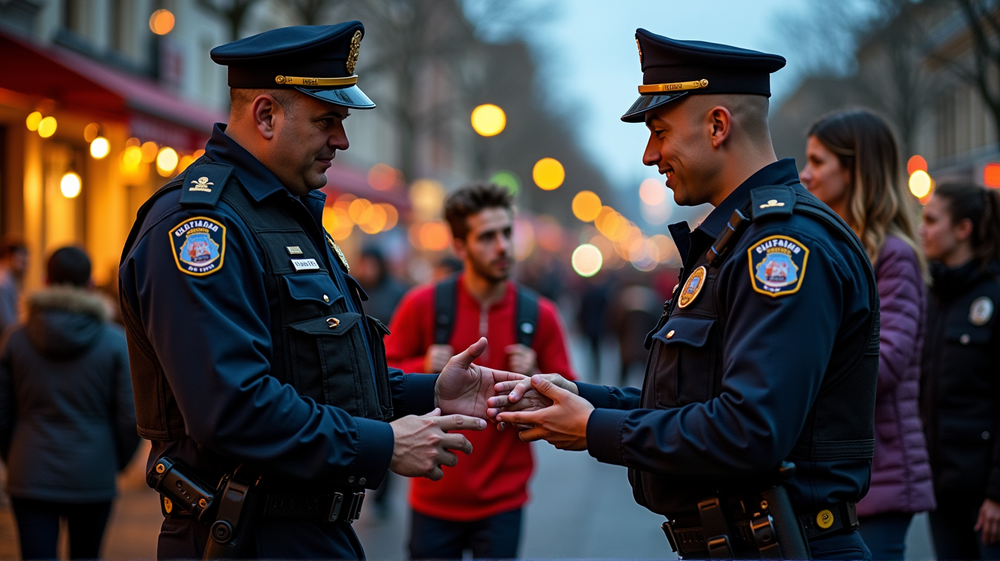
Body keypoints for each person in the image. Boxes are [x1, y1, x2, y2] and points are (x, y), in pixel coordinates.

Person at [117, 22, 520, 559]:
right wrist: (384, 444)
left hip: (302, 531)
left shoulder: (281, 213)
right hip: (244, 537)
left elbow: (315, 375)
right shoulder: (202, 225)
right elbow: (230, 407)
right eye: (327, 120)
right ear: (265, 115)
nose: (342, 140)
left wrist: (429, 393)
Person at [490, 30, 880, 560]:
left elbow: (749, 430)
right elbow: (694, 402)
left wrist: (594, 428)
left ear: (718, 125)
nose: (650, 155)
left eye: (660, 132)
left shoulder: (780, 249)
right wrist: (579, 398)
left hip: (786, 546)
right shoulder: (739, 239)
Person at [384, 183, 576, 559]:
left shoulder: (540, 314)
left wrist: (538, 375)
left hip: (504, 501)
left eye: (506, 233)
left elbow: (573, 397)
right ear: (460, 247)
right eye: (487, 237)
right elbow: (378, 378)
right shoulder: (422, 304)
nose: (503, 246)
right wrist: (424, 368)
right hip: (433, 494)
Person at [799, 109, 934, 559]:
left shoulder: (894, 255)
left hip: (881, 469)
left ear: (856, 169)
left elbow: (885, 364)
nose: (806, 174)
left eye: (818, 161)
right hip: (840, 465)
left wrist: (796, 371)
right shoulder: (832, 245)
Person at [0, 246, 138, 559]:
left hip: (30, 471)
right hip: (94, 471)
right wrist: (113, 461)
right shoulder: (115, 341)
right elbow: (131, 416)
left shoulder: (15, 339)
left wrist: (15, 454)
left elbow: (2, 413)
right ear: (90, 284)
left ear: (46, 281)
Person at [918, 183, 1000, 559]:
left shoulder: (993, 295)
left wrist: (997, 494)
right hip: (941, 488)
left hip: (985, 497)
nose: (922, 230)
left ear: (963, 229)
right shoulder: (935, 296)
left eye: (932, 220)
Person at [0, 236, 28, 333]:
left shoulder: (9, 280)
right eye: (22, 260)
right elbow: (8, 325)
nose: (26, 265)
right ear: (8, 256)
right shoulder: (4, 284)